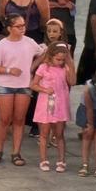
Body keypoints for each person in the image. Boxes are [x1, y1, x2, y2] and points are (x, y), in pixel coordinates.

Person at [0, 14, 36, 166]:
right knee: (4, 119)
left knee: (19, 119)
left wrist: (33, 68)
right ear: (10, 28)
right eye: (19, 26)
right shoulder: (2, 44)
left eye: (23, 25)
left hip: (24, 85)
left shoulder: (30, 42)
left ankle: (16, 152)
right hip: (6, 84)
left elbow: (43, 54)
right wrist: (9, 70)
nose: (22, 29)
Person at [31, 44, 74, 172]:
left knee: (59, 134)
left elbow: (72, 82)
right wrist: (44, 89)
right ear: (51, 56)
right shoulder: (43, 68)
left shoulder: (65, 68)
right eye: (58, 59)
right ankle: (43, 159)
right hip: (45, 104)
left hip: (60, 105)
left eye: (62, 59)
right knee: (44, 134)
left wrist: (70, 65)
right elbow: (33, 85)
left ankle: (61, 160)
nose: (60, 62)